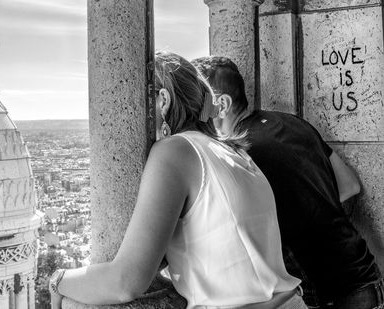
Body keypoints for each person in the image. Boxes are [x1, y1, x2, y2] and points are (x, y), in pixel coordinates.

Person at [47, 51, 307, 308]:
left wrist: (58, 280)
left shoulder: (175, 151)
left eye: (135, 104)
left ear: (162, 100)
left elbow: (125, 282)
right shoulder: (232, 151)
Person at [191, 55, 383, 309]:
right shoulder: (292, 122)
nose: (193, 111)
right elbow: (349, 185)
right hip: (364, 277)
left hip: (321, 292)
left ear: (222, 104)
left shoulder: (237, 153)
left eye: (196, 100)